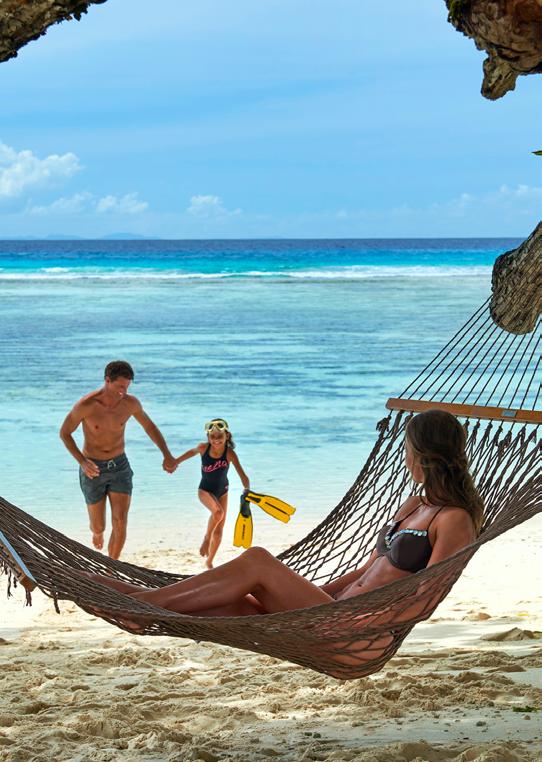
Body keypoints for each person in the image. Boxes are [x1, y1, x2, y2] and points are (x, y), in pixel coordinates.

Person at [86, 409, 483, 620]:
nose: (405, 457)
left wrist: (362, 618)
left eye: (409, 450)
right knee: (226, 605)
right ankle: (103, 589)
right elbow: (367, 571)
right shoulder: (416, 505)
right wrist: (323, 593)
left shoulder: (453, 519)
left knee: (257, 559)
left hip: (357, 628)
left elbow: (426, 597)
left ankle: (142, 606)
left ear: (425, 455)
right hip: (334, 608)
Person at [59, 360, 178, 560]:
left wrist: (166, 454)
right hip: (93, 468)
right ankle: (97, 533)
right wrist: (82, 461)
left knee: (120, 521)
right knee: (99, 525)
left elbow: (149, 427)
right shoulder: (87, 405)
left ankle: (111, 567)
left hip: (120, 466)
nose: (124, 391)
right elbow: (65, 433)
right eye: (120, 386)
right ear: (107, 380)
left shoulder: (130, 403)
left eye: (127, 386)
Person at [174, 418, 250, 569]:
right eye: (213, 437)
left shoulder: (230, 454)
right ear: (208, 438)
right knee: (218, 512)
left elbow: (243, 476)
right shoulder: (203, 448)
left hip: (223, 491)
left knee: (220, 530)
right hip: (205, 490)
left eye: (219, 436)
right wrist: (175, 462)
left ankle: (209, 562)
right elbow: (190, 453)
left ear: (227, 436)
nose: (216, 440)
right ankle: (206, 539)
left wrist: (247, 491)